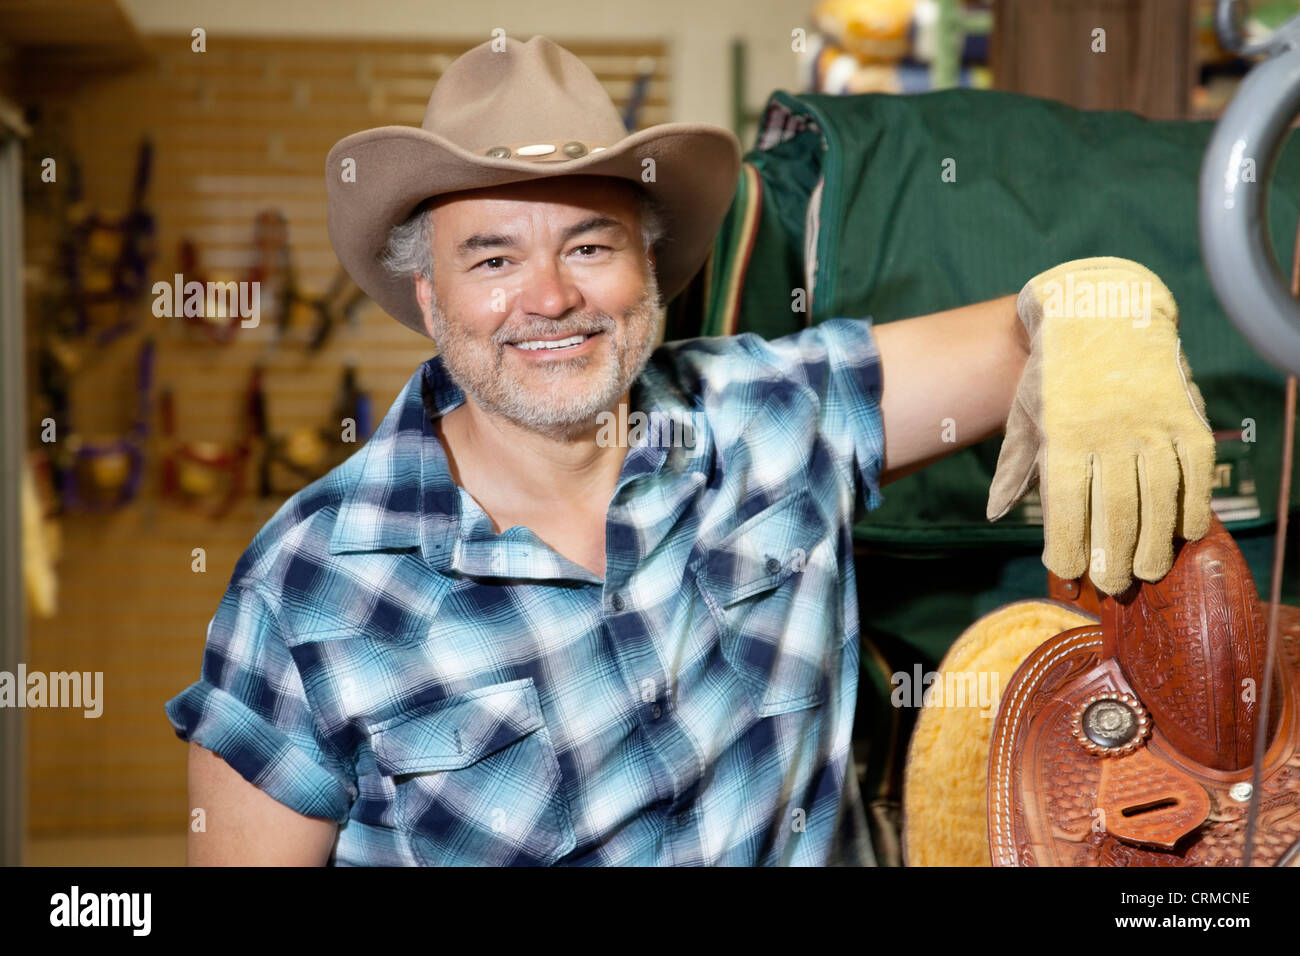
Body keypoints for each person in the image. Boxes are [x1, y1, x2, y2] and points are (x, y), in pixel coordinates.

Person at [165, 35, 1214, 865]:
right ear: (431, 296)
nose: (549, 298)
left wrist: (1100, 304)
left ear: (649, 269)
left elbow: (1031, 323)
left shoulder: (761, 413)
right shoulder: (308, 588)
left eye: (589, 243)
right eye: (493, 256)